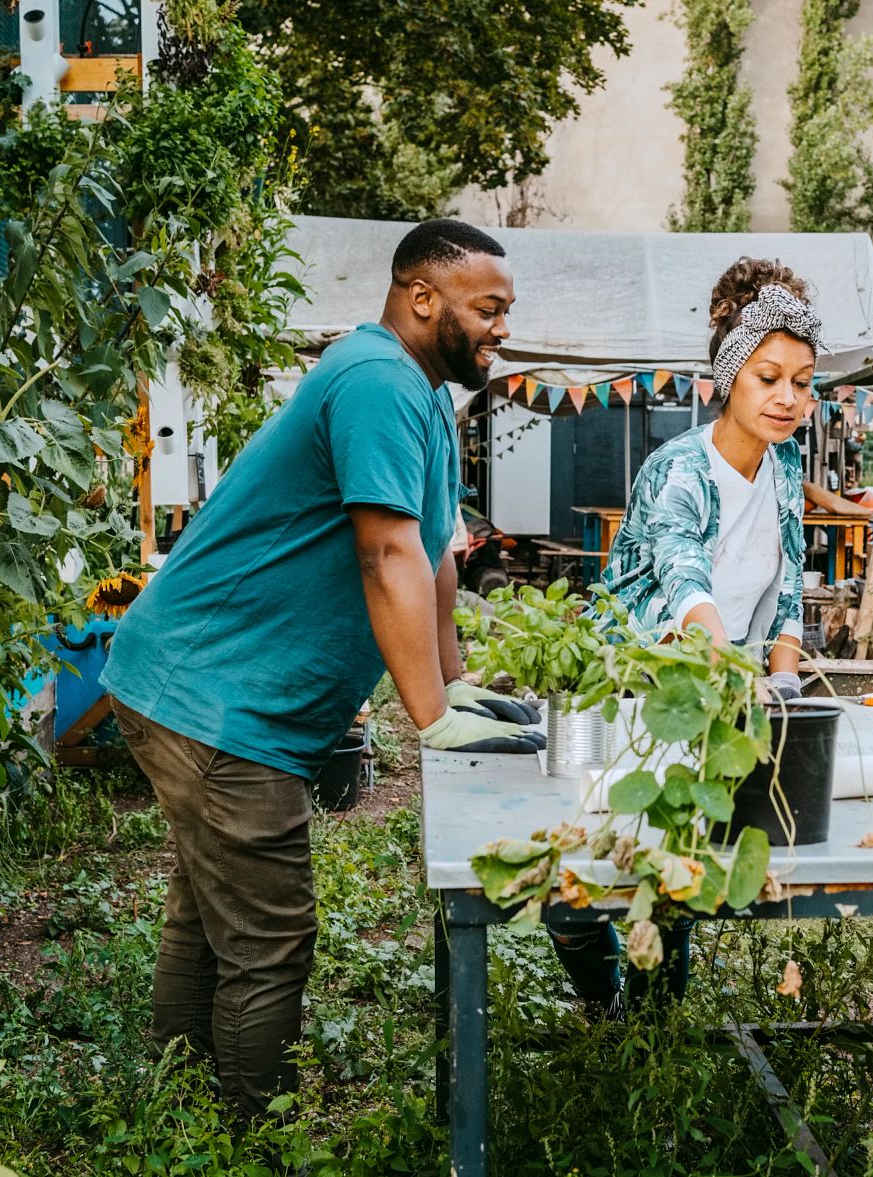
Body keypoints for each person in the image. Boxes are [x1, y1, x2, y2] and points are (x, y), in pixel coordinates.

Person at [99, 219, 546, 1117]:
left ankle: (175, 1108)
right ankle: (252, 1135)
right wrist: (430, 720)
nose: (503, 327)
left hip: (195, 686)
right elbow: (384, 553)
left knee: (206, 910)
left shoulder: (420, 393)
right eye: (489, 309)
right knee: (269, 939)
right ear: (424, 298)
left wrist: (455, 684)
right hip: (216, 701)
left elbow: (435, 555)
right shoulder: (378, 380)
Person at [550, 257, 822, 1015]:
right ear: (728, 378)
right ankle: (602, 998)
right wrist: (727, 663)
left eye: (801, 381)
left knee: (672, 858)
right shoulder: (680, 468)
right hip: (617, 685)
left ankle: (652, 1031)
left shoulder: (785, 463)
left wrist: (786, 670)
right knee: (573, 865)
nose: (787, 398)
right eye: (768, 377)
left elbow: (793, 575)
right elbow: (684, 576)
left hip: (703, 694)